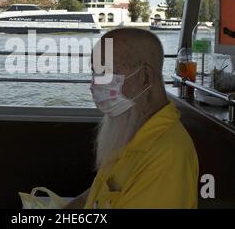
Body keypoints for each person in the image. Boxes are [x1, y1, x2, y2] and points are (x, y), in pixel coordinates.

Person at [65, 28, 199, 209]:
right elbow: (100, 192)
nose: (94, 85)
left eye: (106, 72)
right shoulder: (132, 128)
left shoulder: (167, 158)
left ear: (145, 77)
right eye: (95, 73)